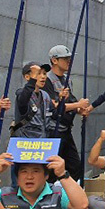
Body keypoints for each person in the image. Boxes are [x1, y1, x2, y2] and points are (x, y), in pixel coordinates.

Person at [41, 45, 90, 180]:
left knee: (75, 167)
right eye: (65, 59)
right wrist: (78, 104)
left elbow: (72, 102)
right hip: (53, 130)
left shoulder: (67, 79)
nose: (69, 61)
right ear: (54, 60)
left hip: (66, 130)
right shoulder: (47, 80)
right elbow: (54, 106)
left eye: (69, 59)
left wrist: (80, 110)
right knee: (51, 167)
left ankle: (68, 196)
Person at [12, 62, 54, 139]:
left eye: (44, 73)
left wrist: (62, 101)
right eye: (38, 74)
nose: (43, 77)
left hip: (43, 142)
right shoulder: (22, 93)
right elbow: (23, 102)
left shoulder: (46, 96)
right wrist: (32, 81)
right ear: (27, 77)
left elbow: (54, 115)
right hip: (25, 142)